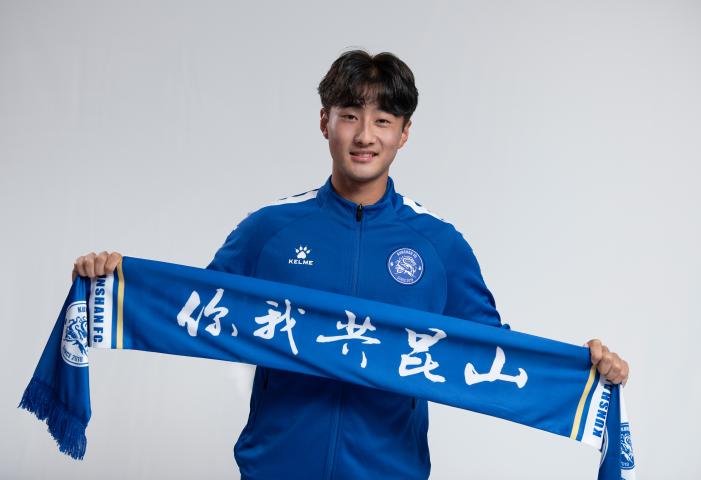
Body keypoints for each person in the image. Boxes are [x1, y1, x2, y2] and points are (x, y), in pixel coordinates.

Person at [70, 49, 629, 479]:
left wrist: (584, 370)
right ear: (324, 122)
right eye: (349, 116)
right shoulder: (270, 229)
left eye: (383, 120)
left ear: (404, 133)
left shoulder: (439, 245)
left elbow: (491, 353)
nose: (365, 135)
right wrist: (115, 283)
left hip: (390, 471)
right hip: (275, 468)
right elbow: (196, 307)